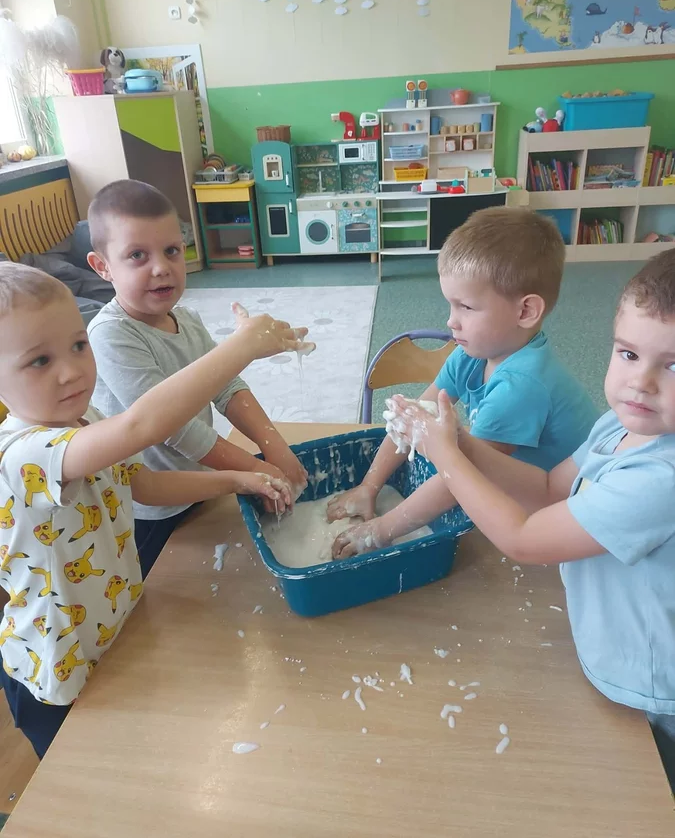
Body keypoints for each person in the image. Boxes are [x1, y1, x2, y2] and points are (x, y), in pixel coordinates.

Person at [381, 249, 675, 792]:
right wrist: (460, 440)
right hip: (614, 649)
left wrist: (445, 454)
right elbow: (547, 488)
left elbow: (523, 539)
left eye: (673, 365)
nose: (642, 382)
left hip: (653, 689)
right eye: (629, 353)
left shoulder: (661, 478)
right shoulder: (621, 425)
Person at [0, 262, 311, 758]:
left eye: (78, 345)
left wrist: (237, 479)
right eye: (39, 360)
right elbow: (142, 425)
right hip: (56, 664)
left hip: (116, 627)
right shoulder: (24, 454)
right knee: (82, 774)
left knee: (136, 752)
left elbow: (140, 484)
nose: (72, 370)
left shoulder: (84, 420)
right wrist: (241, 346)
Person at [329, 207, 597, 558]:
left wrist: (380, 530)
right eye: (450, 305)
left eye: (466, 307)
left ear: (525, 311)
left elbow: (460, 477)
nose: (451, 321)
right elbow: (413, 421)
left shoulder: (520, 387)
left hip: (557, 515)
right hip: (515, 489)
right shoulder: (471, 354)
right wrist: (369, 486)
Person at [86, 180, 308, 577]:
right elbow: (176, 429)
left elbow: (227, 387)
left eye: (172, 250)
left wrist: (275, 448)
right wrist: (255, 471)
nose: (161, 267)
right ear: (102, 266)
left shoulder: (186, 319)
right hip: (149, 509)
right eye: (137, 255)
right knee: (166, 592)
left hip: (203, 484)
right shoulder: (110, 335)